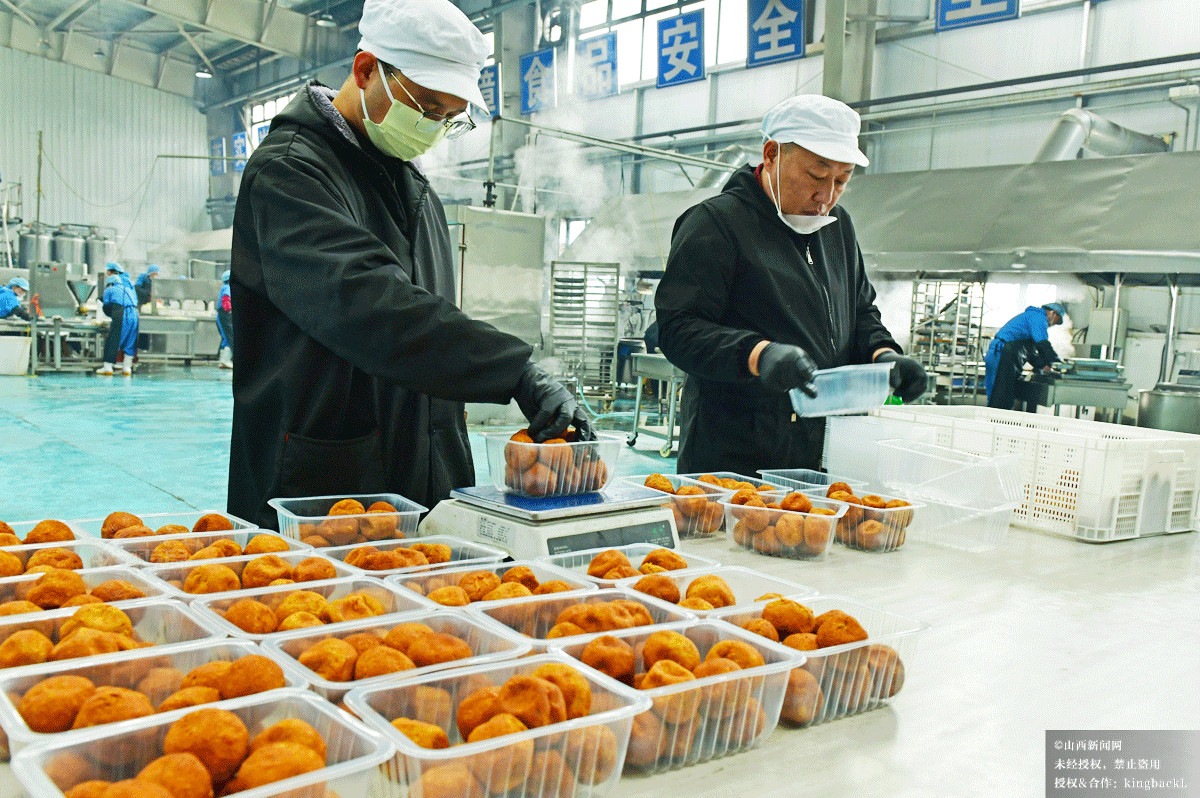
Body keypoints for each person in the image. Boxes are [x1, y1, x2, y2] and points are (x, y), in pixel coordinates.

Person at [226, 0, 590, 528]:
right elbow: (370, 305)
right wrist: (513, 371)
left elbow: (426, 328)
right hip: (326, 481)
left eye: (448, 118)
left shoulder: (413, 187)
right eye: (426, 107)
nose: (432, 128)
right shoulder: (290, 175)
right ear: (365, 70)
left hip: (421, 476)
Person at [655, 94, 928, 476]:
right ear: (772, 154)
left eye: (842, 180)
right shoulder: (715, 223)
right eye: (816, 176)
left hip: (821, 451)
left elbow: (860, 311)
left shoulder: (838, 229)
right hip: (735, 456)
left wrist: (883, 355)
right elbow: (678, 328)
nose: (826, 197)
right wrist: (758, 355)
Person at [985, 303, 1065, 410]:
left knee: (997, 395)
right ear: (1053, 313)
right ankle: (993, 418)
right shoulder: (1038, 317)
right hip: (999, 352)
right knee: (997, 394)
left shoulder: (1032, 316)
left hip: (999, 352)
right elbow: (1042, 344)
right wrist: (1056, 362)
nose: (1054, 324)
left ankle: (994, 417)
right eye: (1056, 320)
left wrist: (1042, 365)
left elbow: (1030, 352)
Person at [96, 266, 138, 376]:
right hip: (134, 314)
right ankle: (127, 368)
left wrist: (110, 315)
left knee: (114, 339)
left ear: (110, 283)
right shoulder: (128, 289)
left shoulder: (109, 290)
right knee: (130, 340)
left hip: (121, 313)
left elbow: (106, 306)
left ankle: (107, 368)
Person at [216, 269, 233, 369]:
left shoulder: (224, 287)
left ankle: (222, 361)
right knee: (231, 336)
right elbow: (226, 299)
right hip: (226, 314)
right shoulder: (228, 288)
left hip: (221, 315)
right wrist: (229, 310)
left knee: (226, 337)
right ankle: (226, 360)